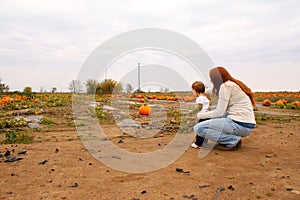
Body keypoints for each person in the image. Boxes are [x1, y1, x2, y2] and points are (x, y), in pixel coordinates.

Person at [194, 66, 256, 151]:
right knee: (209, 119)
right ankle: (228, 138)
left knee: (198, 128)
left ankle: (233, 140)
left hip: (239, 124)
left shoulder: (226, 86)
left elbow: (219, 112)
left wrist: (199, 115)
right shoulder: (233, 84)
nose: (210, 81)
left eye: (211, 78)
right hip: (246, 123)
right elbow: (220, 109)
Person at [190, 81, 210, 149]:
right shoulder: (205, 97)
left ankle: (198, 144)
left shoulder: (200, 98)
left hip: (202, 116)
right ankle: (204, 143)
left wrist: (192, 112)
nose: (193, 92)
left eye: (193, 90)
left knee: (199, 130)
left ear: (196, 90)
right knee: (204, 130)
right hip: (206, 116)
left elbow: (199, 107)